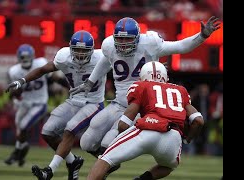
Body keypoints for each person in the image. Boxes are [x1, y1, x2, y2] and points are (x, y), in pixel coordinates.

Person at [69, 16, 220, 175]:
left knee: (108, 142)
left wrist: (202, 36)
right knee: (86, 142)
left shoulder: (150, 43)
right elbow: (107, 60)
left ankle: (106, 164)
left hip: (140, 106)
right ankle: (108, 164)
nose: (123, 44)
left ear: (137, 38)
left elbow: (180, 46)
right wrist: (90, 81)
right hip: (119, 102)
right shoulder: (109, 46)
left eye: (127, 39)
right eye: (120, 39)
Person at [5, 30, 107, 180]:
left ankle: (49, 171)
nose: (79, 53)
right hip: (73, 101)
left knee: (70, 129)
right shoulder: (64, 57)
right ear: (71, 48)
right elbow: (42, 70)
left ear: (92, 50)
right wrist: (22, 81)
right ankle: (73, 162)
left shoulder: (101, 57)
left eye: (83, 50)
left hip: (93, 102)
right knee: (48, 131)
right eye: (76, 49)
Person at [87, 61, 205, 180]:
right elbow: (198, 120)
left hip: (148, 128)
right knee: (168, 166)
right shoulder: (180, 91)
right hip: (173, 137)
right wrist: (187, 139)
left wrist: (117, 140)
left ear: (143, 77)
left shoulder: (141, 86)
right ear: (166, 77)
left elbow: (124, 124)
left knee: (105, 159)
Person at [4, 44, 50, 167]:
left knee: (23, 127)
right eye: (22, 57)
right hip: (24, 103)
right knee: (19, 129)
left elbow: (52, 78)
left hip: (39, 103)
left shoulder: (41, 63)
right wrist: (15, 92)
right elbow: (15, 92)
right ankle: (21, 152)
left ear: (33, 56)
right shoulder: (14, 71)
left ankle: (18, 152)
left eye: (27, 57)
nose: (25, 60)